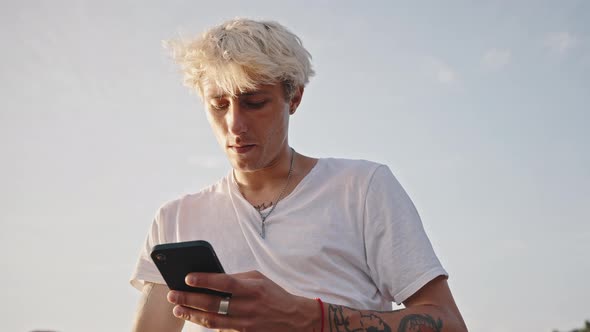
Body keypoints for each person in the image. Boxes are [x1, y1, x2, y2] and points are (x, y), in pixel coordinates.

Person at [130, 18, 467, 332]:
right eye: (218, 105)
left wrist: (308, 316)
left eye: (255, 102)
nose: (234, 124)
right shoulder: (175, 219)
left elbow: (449, 323)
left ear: (294, 97)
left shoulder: (363, 188)